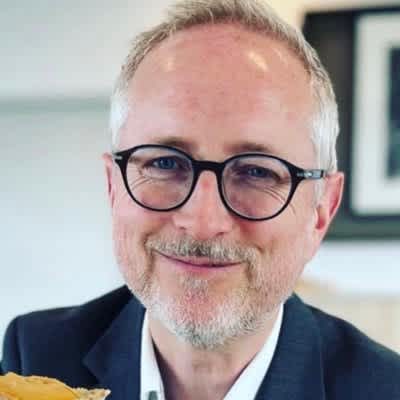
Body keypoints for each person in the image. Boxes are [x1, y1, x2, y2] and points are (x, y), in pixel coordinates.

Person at [1, 0, 400, 399]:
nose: (202, 222)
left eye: (256, 172)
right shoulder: (37, 355)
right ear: (113, 186)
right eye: (164, 163)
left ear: (321, 211)